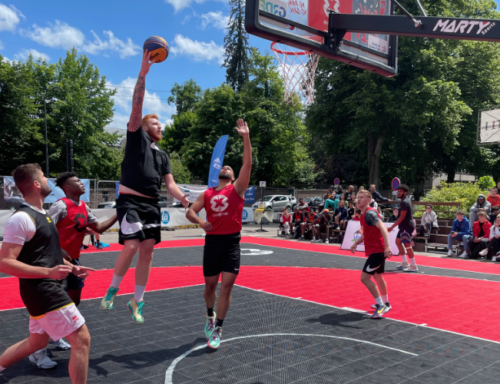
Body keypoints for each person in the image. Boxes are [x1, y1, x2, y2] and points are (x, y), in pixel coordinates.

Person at [100, 51, 190, 324]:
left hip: (152, 204)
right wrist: (142, 74)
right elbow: (136, 106)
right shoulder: (136, 138)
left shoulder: (162, 155)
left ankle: (137, 300)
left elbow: (170, 185)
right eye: (154, 122)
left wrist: (186, 200)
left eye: (160, 123)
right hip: (130, 203)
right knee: (130, 246)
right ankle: (112, 290)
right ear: (142, 126)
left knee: (148, 251)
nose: (159, 125)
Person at [0, 164, 93, 382]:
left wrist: (71, 267)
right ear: (35, 183)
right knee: (82, 339)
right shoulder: (21, 218)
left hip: (43, 290)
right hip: (44, 291)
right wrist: (49, 272)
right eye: (43, 177)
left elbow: (46, 253)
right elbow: (4, 262)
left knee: (37, 343)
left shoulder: (44, 214)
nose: (47, 180)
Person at [27, 172, 118, 365]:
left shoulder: (84, 206)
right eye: (76, 181)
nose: (81, 183)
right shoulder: (60, 205)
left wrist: (120, 212)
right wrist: (59, 251)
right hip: (54, 261)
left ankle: (56, 333)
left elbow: (99, 228)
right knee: (51, 306)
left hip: (75, 260)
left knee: (73, 301)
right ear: (67, 187)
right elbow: (43, 229)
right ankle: (38, 351)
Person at [185, 118, 251, 350]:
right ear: (219, 175)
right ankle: (210, 315)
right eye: (224, 167)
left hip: (232, 243)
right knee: (210, 287)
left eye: (229, 168)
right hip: (212, 243)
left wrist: (245, 136)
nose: (225, 167)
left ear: (233, 177)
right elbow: (189, 213)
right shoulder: (208, 192)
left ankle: (219, 328)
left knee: (227, 287)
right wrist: (202, 222)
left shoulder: (238, 189)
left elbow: (247, 163)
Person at [350, 190, 392, 319]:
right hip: (377, 251)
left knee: (365, 278)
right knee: (378, 277)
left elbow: (383, 228)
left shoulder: (370, 214)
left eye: (362, 198)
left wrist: (387, 246)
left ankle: (381, 305)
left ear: (368, 200)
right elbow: (365, 234)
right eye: (358, 197)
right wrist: (356, 243)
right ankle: (386, 303)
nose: (358, 199)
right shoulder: (364, 215)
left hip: (378, 251)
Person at [388, 185, 417, 272]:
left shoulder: (404, 202)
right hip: (403, 226)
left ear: (405, 192)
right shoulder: (404, 201)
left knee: (407, 246)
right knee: (398, 242)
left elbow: (402, 217)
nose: (399, 193)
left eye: (401, 191)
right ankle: (404, 262)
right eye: (398, 191)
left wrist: (392, 226)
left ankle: (413, 265)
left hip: (407, 226)